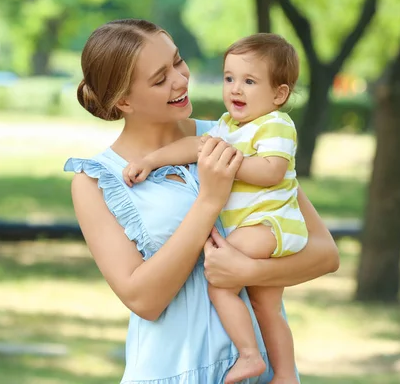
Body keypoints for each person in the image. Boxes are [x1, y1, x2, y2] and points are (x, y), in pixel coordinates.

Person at [64, 19, 339, 384]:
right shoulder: (97, 180)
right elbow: (143, 300)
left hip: (262, 373)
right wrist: (209, 200)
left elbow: (324, 254)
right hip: (171, 373)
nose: (180, 80)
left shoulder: (241, 134)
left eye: (178, 62)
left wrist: (252, 273)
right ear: (124, 100)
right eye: (160, 78)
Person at [122, 33, 304, 383]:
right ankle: (285, 375)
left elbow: (272, 172)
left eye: (249, 81)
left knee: (221, 282)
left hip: (270, 225)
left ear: (279, 94)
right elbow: (195, 146)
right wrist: (152, 160)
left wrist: (224, 165)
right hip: (257, 227)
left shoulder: (275, 124)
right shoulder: (228, 126)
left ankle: (250, 355)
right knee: (266, 307)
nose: (236, 89)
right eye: (229, 78)